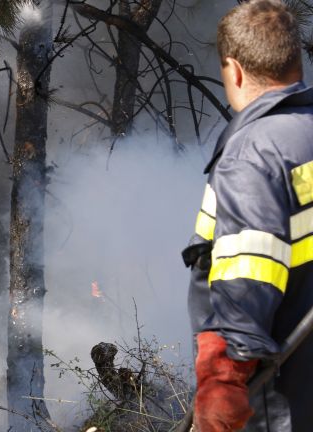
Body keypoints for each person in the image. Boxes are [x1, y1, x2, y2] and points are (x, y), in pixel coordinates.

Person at [182, 0, 313, 430]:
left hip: (277, 395)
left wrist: (223, 380)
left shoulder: (253, 153)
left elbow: (248, 273)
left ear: (234, 71)